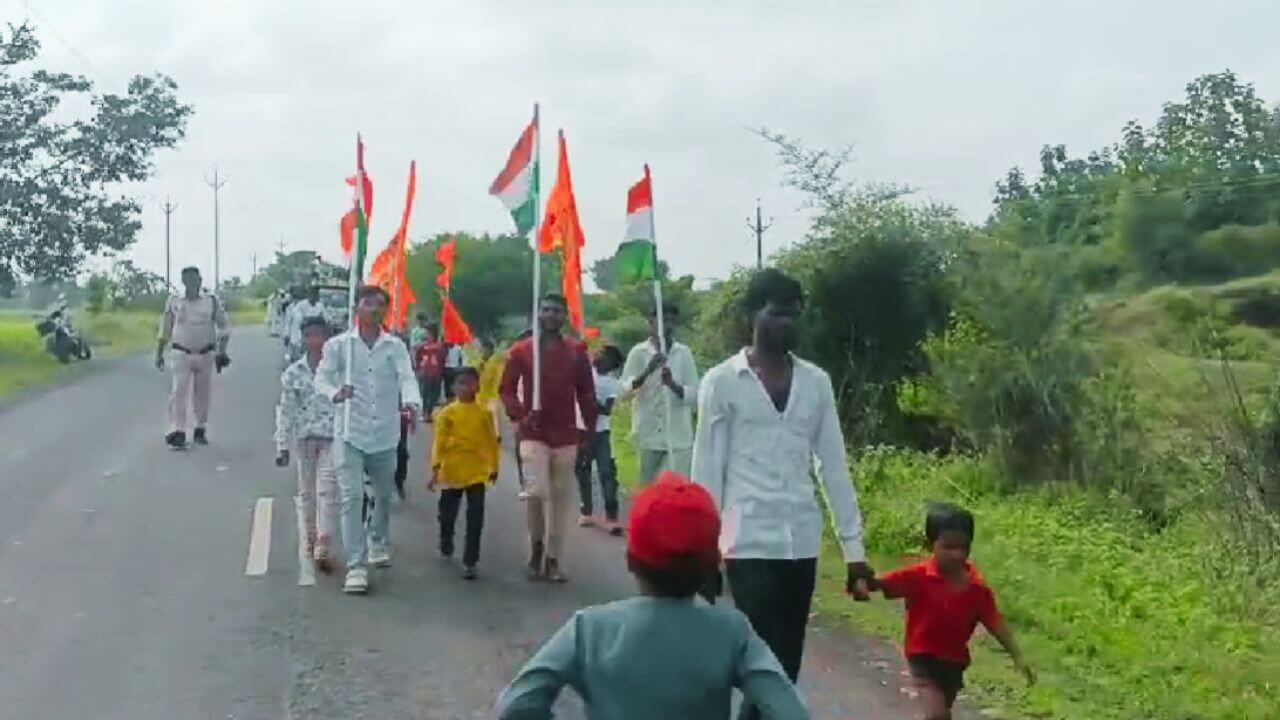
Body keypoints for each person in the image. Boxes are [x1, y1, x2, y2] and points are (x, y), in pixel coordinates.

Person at [691, 268, 873, 720]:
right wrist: (702, 549)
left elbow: (833, 466)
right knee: (766, 662)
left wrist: (854, 552)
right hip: (746, 540)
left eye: (793, 315)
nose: (786, 323)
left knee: (783, 667)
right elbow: (707, 467)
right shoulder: (722, 381)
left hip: (801, 542)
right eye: (776, 313)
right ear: (752, 315)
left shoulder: (816, 382)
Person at [497, 473, 809, 720]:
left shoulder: (589, 629)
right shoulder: (731, 631)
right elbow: (790, 711)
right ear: (711, 568)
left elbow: (517, 704)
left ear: (630, 559)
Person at [873, 504, 1034, 720]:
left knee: (941, 712)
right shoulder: (918, 577)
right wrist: (862, 582)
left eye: (963, 547)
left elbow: (995, 623)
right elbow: (883, 583)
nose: (957, 554)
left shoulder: (977, 588)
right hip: (922, 658)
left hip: (954, 663)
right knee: (937, 714)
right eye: (948, 547)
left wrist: (1018, 656)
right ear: (929, 544)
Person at [316, 285, 422, 595]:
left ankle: (378, 538)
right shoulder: (339, 346)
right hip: (350, 431)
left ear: (385, 310)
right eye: (367, 303)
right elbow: (322, 378)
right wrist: (335, 393)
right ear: (357, 307)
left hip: (385, 433)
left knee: (383, 494)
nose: (373, 309)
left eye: (379, 305)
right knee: (352, 498)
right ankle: (356, 565)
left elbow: (406, 377)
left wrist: (411, 402)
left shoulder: (395, 347)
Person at [499, 294, 597, 583]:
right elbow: (506, 389)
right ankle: (536, 547)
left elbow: (586, 392)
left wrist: (589, 429)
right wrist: (520, 415)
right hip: (533, 432)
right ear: (538, 314)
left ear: (564, 316)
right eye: (546, 310)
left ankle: (553, 557)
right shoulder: (522, 351)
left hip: (566, 432)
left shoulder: (576, 351)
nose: (551, 315)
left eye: (556, 310)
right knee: (536, 491)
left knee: (560, 498)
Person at [275, 316, 339, 573]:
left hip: (332, 437)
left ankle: (324, 542)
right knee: (307, 492)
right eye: (309, 335)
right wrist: (282, 445)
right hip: (305, 438)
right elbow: (286, 411)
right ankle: (310, 537)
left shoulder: (337, 371)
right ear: (302, 339)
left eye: (319, 335)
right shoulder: (293, 373)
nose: (314, 340)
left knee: (327, 490)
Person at [429, 366, 499, 580]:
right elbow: (439, 442)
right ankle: (446, 541)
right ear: (453, 387)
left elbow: (492, 441)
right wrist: (435, 468)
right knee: (447, 513)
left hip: (477, 471)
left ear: (477, 385)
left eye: (470, 383)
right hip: (452, 469)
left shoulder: (484, 413)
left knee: (476, 515)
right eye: (461, 383)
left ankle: (471, 560)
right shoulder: (447, 414)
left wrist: (494, 466)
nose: (466, 387)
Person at [620, 302, 699, 484]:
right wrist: (647, 372)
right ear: (651, 321)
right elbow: (624, 391)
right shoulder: (638, 353)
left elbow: (694, 394)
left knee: (676, 488)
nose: (668, 326)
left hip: (678, 437)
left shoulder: (683, 353)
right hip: (648, 435)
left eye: (672, 321)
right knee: (649, 489)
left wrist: (673, 385)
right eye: (663, 320)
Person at [156, 266, 230, 449]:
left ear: (200, 280)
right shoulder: (174, 301)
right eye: (187, 280)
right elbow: (165, 328)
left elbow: (224, 326)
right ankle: (178, 430)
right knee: (178, 392)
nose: (191, 284)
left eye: (194, 280)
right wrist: (159, 352)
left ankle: (200, 427)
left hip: (205, 353)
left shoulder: (211, 301)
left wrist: (222, 350)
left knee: (202, 393)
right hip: (181, 352)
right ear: (183, 281)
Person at [576, 345, 624, 534]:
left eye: (604, 356)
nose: (599, 357)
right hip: (583, 430)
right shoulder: (587, 373)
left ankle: (612, 515)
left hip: (602, 432)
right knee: (583, 471)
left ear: (611, 364)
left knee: (607, 473)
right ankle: (586, 511)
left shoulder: (612, 383)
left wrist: (592, 402)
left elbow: (607, 410)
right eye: (599, 353)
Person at [414, 324, 446, 421]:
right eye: (426, 333)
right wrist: (418, 369)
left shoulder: (440, 346)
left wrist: (441, 371)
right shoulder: (422, 346)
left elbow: (443, 359)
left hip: (436, 373)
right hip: (425, 373)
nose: (427, 335)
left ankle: (429, 412)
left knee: (434, 394)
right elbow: (417, 358)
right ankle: (425, 413)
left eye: (429, 333)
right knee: (425, 393)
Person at [287, 286, 326, 362]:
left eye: (317, 295)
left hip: (316, 336)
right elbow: (298, 320)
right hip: (302, 336)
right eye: (313, 294)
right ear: (309, 295)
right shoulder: (301, 305)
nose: (316, 297)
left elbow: (325, 319)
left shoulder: (320, 306)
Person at [476, 337, 506, 436]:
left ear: (489, 349)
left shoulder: (496, 361)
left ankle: (496, 435)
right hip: (481, 394)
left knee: (492, 415)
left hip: (492, 394)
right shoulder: (481, 362)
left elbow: (499, 377)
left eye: (484, 350)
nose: (482, 352)